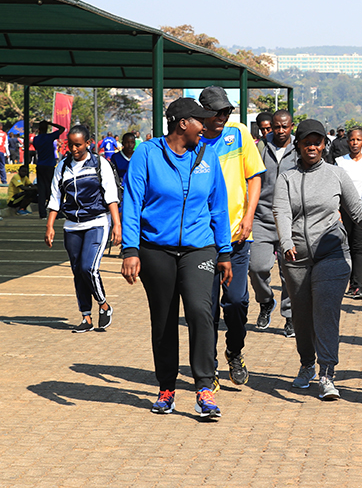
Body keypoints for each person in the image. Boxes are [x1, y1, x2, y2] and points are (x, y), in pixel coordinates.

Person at [121, 97, 231, 419]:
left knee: (200, 310)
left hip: (199, 248)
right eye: (201, 120)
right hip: (156, 249)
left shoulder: (207, 156)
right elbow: (132, 202)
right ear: (183, 123)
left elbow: (218, 207)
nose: (206, 125)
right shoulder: (147, 153)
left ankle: (204, 388)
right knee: (165, 318)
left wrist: (224, 251)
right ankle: (166, 388)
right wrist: (130, 249)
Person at [273, 119, 362, 400]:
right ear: (297, 145)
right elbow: (281, 211)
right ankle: (306, 364)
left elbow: (357, 211)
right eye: (306, 142)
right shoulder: (286, 177)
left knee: (325, 311)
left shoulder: (336, 175)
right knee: (301, 316)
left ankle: (327, 372)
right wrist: (286, 241)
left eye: (317, 142)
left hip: (332, 254)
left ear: (324, 145)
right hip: (296, 257)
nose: (312, 146)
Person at [199, 85, 265, 389]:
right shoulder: (193, 140)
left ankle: (234, 351)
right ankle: (208, 365)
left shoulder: (238, 134)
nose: (223, 117)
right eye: (217, 112)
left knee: (237, 301)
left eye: (226, 111)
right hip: (203, 240)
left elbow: (254, 177)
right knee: (206, 307)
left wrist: (249, 217)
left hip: (238, 237)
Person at [45, 124, 121, 333]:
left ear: (88, 143)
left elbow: (111, 196)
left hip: (97, 222)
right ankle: (86, 317)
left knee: (89, 268)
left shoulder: (100, 164)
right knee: (78, 271)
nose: (74, 149)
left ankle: (104, 305)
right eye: (71, 145)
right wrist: (50, 225)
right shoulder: (62, 166)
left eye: (78, 144)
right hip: (71, 225)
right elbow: (55, 198)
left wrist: (117, 225)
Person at [250, 110, 297, 337]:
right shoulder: (259, 148)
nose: (279, 131)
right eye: (275, 127)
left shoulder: (299, 149)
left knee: (289, 272)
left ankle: (290, 316)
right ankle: (266, 301)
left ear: (291, 127)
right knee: (256, 267)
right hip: (262, 217)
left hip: (290, 220)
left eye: (284, 127)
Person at [334, 126, 362, 300]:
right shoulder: (340, 162)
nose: (355, 143)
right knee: (344, 247)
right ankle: (342, 283)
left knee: (361, 248)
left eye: (358, 139)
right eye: (352, 140)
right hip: (344, 210)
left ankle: (358, 287)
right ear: (347, 141)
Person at [33, 120, 66, 219]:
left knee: (41, 189)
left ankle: (42, 214)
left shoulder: (36, 139)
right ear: (47, 129)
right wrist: (51, 124)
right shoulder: (50, 137)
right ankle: (56, 212)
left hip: (40, 165)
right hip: (49, 166)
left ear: (38, 130)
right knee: (52, 189)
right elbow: (62, 129)